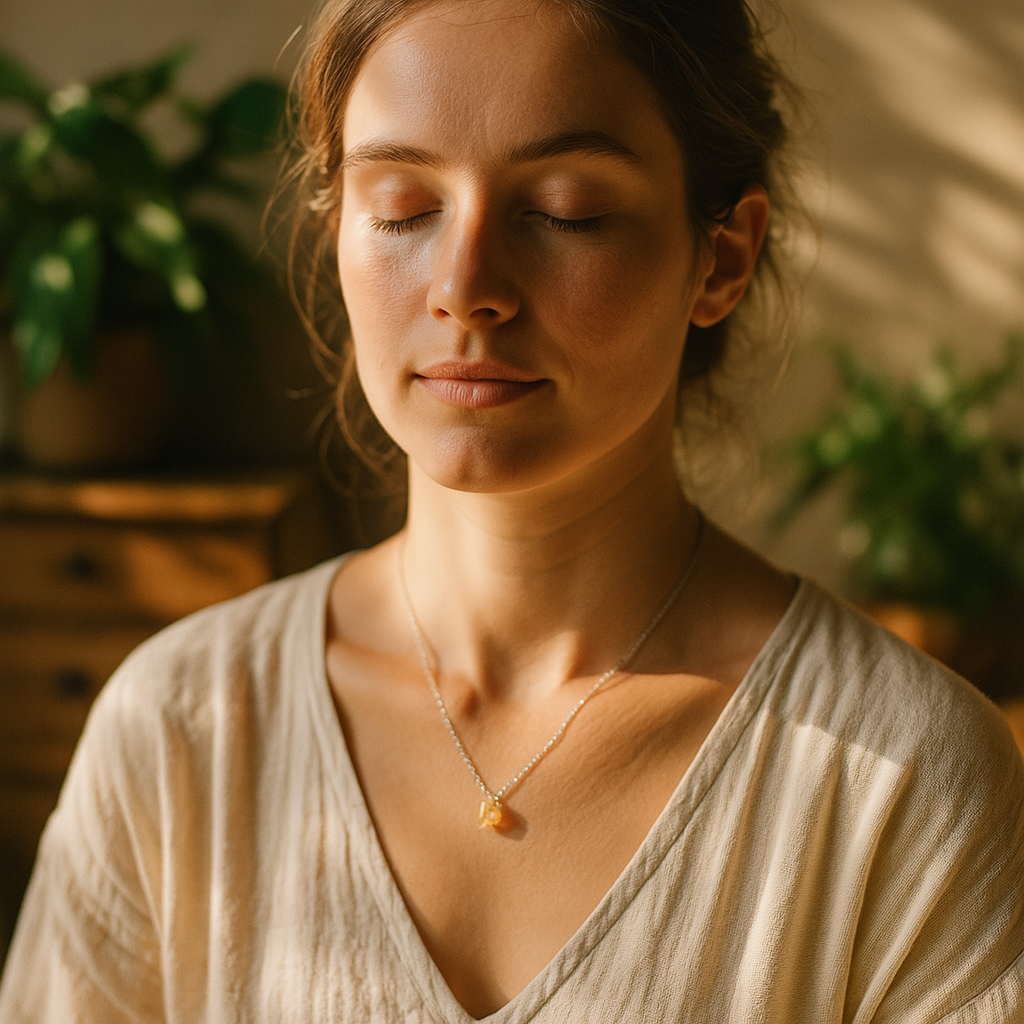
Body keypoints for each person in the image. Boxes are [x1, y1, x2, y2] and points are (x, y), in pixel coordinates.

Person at [2, 0, 1023, 1020]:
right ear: (336, 233)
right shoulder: (181, 730)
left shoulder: (905, 784)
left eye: (567, 211)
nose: (465, 286)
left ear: (721, 257)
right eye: (403, 207)